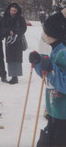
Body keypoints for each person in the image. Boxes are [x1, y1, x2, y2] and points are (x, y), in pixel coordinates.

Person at [29, 8, 66, 147]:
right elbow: (49, 77)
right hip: (54, 110)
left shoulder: (63, 53)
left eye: (46, 31)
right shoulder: (56, 51)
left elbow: (63, 83)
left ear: (54, 34)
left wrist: (51, 67)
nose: (43, 34)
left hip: (63, 114)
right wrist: (39, 62)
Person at [1, 3, 27, 84]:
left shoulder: (20, 18)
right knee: (10, 59)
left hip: (17, 41)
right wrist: (8, 31)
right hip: (9, 41)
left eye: (14, 11)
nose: (12, 12)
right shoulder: (5, 18)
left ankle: (15, 76)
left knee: (16, 59)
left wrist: (16, 32)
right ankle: (12, 75)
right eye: (11, 10)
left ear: (17, 11)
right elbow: (3, 28)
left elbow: (23, 28)